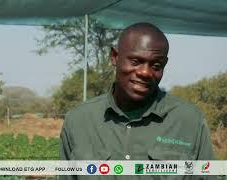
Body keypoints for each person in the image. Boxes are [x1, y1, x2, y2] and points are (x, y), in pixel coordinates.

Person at [59, 22, 215, 179]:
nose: (145, 72)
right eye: (135, 62)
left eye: (155, 65)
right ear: (114, 57)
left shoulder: (189, 121)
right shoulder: (78, 121)